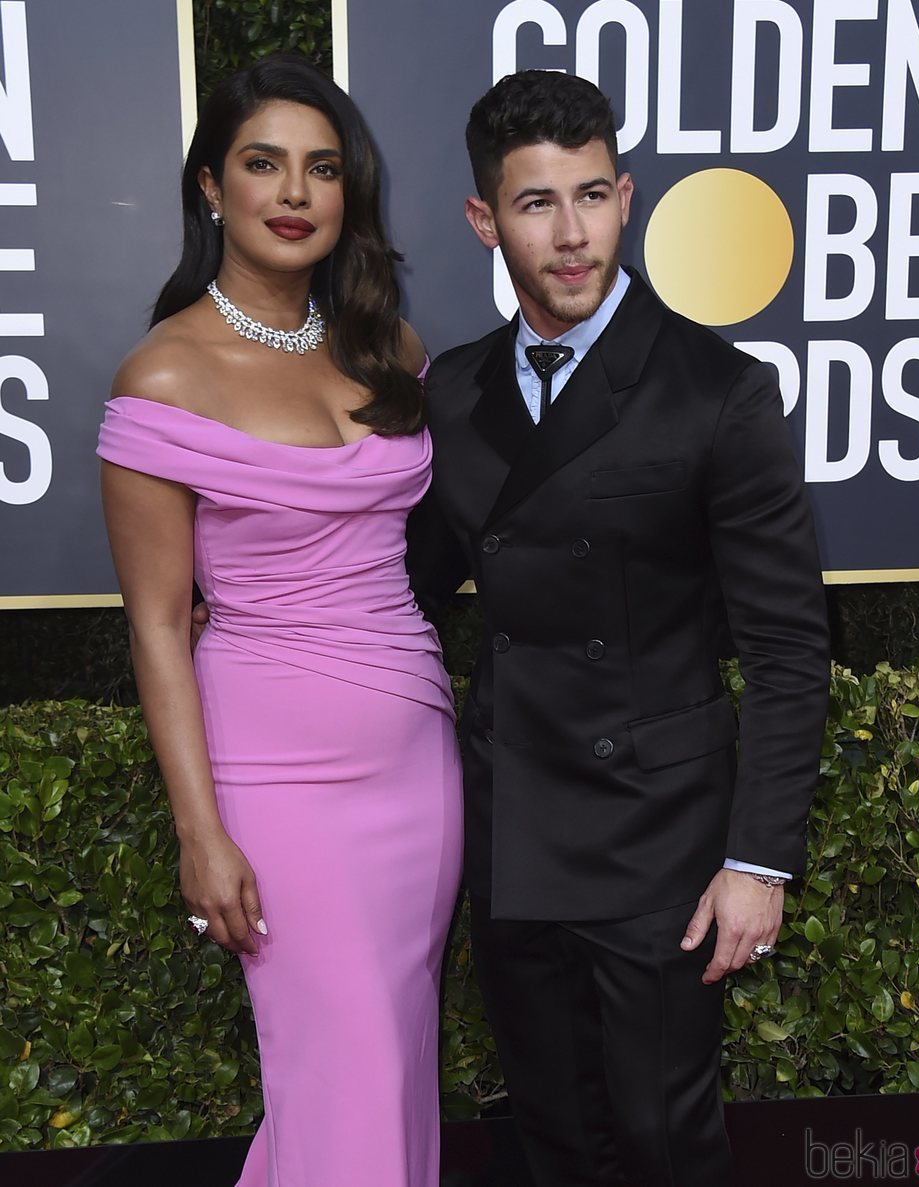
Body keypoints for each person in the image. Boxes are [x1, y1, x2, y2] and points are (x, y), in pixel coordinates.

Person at [408, 70, 830, 1187]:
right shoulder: (450, 394)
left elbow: (788, 649)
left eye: (591, 195)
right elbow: (403, 585)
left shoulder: (715, 390)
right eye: (536, 203)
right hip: (511, 826)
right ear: (482, 219)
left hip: (659, 838)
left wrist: (756, 860)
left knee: (660, 1136)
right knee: (550, 1132)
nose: (571, 233)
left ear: (627, 196)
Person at [97, 55, 462, 1187]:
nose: (294, 191)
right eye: (263, 164)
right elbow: (158, 627)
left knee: (387, 1074)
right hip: (276, 778)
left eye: (321, 167)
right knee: (341, 1072)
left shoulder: (387, 347)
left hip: (416, 762)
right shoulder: (162, 375)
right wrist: (200, 833)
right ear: (212, 187)